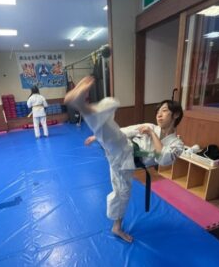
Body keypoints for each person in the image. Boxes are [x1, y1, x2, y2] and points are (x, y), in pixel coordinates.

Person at [65, 76, 185, 244]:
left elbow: (163, 159)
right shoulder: (150, 126)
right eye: (158, 111)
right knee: (115, 129)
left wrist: (151, 134)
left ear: (176, 114)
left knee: (122, 194)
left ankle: (116, 227)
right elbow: (126, 131)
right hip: (124, 148)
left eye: (164, 111)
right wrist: (98, 136)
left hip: (126, 164)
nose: (159, 114)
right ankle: (82, 105)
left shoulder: (177, 144)